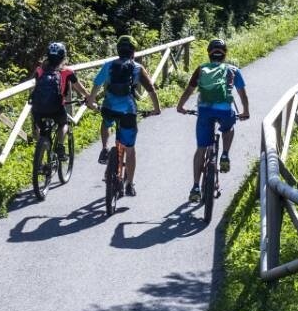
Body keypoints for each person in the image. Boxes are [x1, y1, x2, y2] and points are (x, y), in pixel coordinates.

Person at [176, 37, 250, 204]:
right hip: (225, 111)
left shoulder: (201, 69)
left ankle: (195, 187)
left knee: (201, 148)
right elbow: (242, 94)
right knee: (229, 127)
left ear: (209, 54)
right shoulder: (233, 70)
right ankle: (224, 155)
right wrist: (245, 111)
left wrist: (180, 106)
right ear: (225, 55)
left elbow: (189, 91)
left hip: (204, 111)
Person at [91, 35, 162, 197]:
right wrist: (156, 109)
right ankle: (129, 184)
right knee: (130, 149)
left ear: (118, 50)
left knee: (106, 121)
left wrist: (91, 102)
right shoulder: (137, 68)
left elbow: (96, 86)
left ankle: (104, 148)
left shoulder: (108, 65)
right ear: (133, 52)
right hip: (128, 112)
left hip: (109, 108)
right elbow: (151, 89)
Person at [29, 42, 97, 154]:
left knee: (42, 131)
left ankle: (41, 152)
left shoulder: (39, 70)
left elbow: (37, 88)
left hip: (38, 108)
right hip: (56, 108)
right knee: (64, 124)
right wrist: (90, 99)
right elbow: (81, 89)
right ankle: (60, 146)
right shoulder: (67, 71)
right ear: (63, 57)